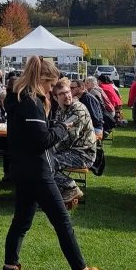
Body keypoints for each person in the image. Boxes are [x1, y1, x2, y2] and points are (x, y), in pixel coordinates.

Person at [2, 56, 119, 270]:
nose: (50, 90)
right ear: (42, 80)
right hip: (37, 171)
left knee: (21, 222)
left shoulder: (17, 98)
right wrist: (62, 127)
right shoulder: (31, 102)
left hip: (22, 169)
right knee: (63, 223)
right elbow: (42, 141)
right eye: (50, 85)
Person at [51, 78, 97, 206]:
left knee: (47, 163)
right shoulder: (61, 110)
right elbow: (56, 133)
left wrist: (48, 149)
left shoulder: (78, 109)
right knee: (43, 160)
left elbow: (69, 138)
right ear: (55, 97)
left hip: (83, 154)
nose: (67, 96)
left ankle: (71, 187)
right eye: (62, 94)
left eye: (68, 92)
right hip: (71, 151)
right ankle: (57, 193)